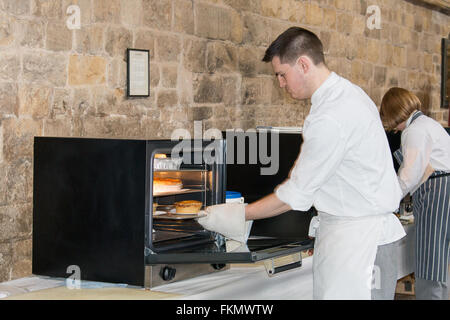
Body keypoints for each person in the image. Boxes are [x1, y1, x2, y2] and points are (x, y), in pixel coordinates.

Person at [199, 27, 406, 299]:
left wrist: (237, 215)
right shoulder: (349, 94)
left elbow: (294, 195)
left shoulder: (331, 116)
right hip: (355, 235)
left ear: (304, 64)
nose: (281, 84)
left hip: (359, 245)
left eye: (282, 75)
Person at [380, 87, 450, 300]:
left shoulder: (415, 130)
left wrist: (387, 202)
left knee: (431, 261)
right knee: (440, 264)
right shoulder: (427, 123)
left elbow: (409, 174)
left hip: (436, 192)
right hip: (442, 189)